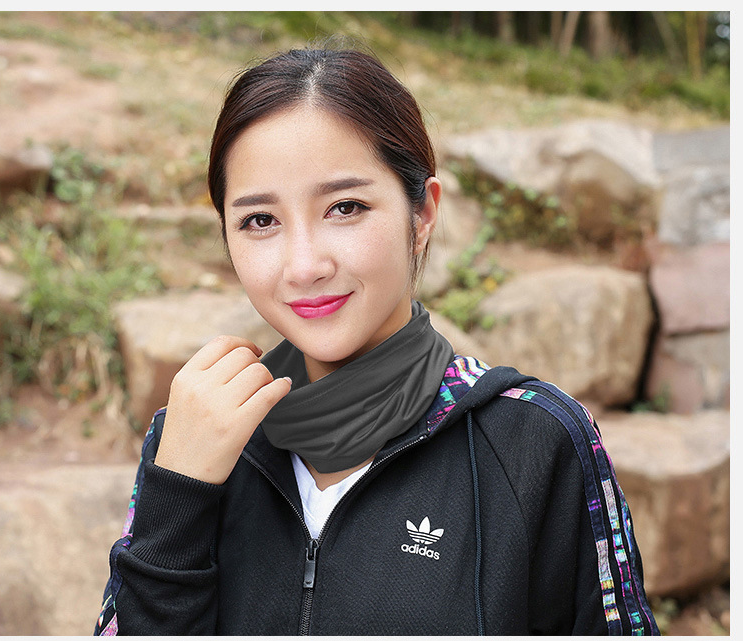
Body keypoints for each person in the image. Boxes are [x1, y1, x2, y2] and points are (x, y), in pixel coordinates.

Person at [94, 46, 659, 636]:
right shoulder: (193, 438)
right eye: (260, 220)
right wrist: (178, 493)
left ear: (422, 214)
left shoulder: (533, 441)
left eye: (345, 207)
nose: (304, 266)